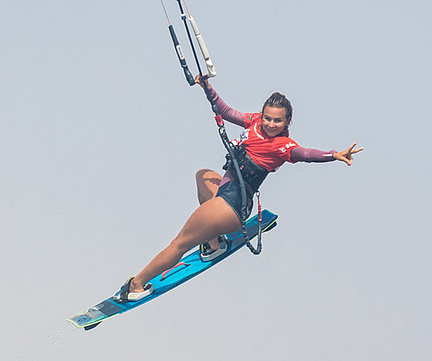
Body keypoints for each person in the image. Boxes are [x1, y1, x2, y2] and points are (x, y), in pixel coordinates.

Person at [116, 76, 362, 302]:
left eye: (278, 120)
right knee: (203, 176)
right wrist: (208, 88)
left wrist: (334, 155)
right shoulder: (254, 122)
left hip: (231, 207)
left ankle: (136, 285)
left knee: (180, 243)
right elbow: (226, 111)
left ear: (288, 121)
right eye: (268, 118)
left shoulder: (283, 145)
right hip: (226, 194)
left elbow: (306, 154)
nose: (271, 124)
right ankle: (214, 245)